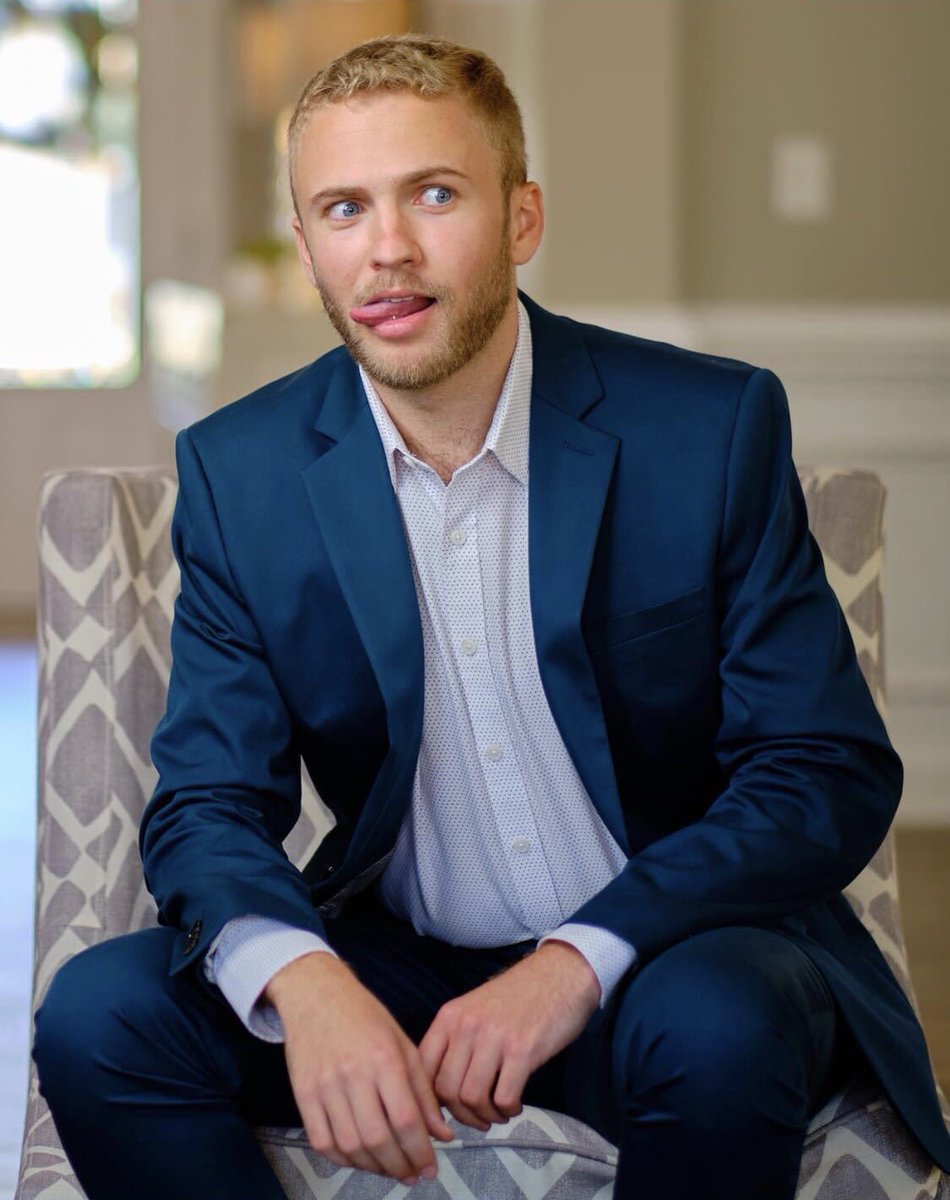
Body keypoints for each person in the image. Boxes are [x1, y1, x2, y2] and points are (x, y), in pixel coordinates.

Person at [33, 33, 950, 1200]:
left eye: (432, 193)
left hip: (666, 959)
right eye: (343, 209)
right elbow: (209, 802)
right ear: (308, 240)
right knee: (102, 1014)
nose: (388, 250)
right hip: (406, 966)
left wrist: (578, 957)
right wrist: (307, 985)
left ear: (521, 220)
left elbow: (822, 768)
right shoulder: (241, 471)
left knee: (715, 1020)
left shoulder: (704, 431)